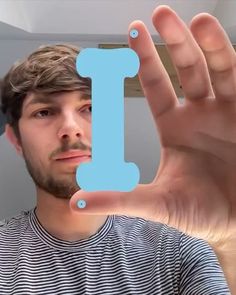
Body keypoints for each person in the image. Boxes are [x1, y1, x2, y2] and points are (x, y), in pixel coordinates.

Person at [0, 5, 235, 294]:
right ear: (15, 139)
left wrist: (228, 241)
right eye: (45, 112)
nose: (70, 128)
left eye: (89, 107)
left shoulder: (176, 250)